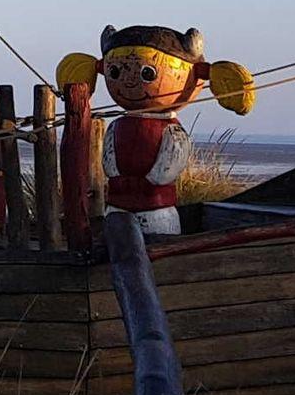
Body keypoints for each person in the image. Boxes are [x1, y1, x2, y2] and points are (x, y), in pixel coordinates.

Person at [56, 25, 254, 237]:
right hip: (118, 203)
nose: (130, 81)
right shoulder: (117, 126)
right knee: (115, 234)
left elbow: (170, 162)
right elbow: (109, 159)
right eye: (115, 72)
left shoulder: (172, 131)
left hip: (156, 207)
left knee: (155, 239)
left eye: (147, 73)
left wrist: (152, 180)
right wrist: (117, 176)